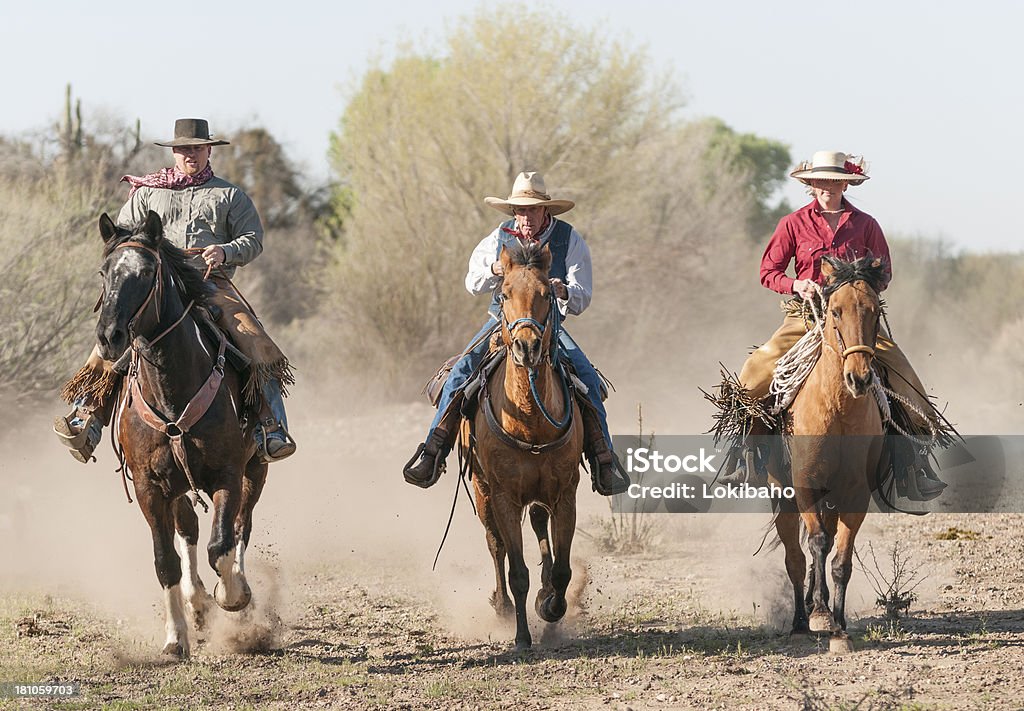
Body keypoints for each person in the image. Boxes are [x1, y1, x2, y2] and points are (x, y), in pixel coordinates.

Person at [54, 118, 296, 464]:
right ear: (174, 152)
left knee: (255, 338)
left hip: (211, 282)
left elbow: (253, 239)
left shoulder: (229, 195)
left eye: (197, 148)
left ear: (208, 149)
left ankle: (271, 426)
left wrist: (225, 251)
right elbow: (121, 239)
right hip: (155, 283)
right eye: (184, 149)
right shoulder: (147, 194)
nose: (190, 154)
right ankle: (86, 419)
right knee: (108, 339)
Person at [725, 150, 946, 500]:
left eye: (835, 180)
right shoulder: (792, 224)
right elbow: (768, 272)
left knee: (907, 380)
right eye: (821, 181)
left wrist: (859, 284)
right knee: (753, 374)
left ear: (846, 183)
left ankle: (914, 466)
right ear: (811, 184)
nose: (828, 186)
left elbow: (884, 271)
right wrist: (797, 284)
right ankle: (746, 458)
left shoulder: (866, 224)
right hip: (806, 316)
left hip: (856, 319)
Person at [402, 172, 629, 495]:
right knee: (460, 373)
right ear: (513, 212)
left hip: (548, 326)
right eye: (520, 210)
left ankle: (602, 459)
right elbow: (472, 282)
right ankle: (434, 450)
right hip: (501, 323)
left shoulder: (568, 239)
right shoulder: (497, 240)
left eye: (532, 210)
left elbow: (583, 294)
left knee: (587, 378)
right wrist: (494, 269)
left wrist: (562, 290)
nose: (525, 217)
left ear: (545, 211)